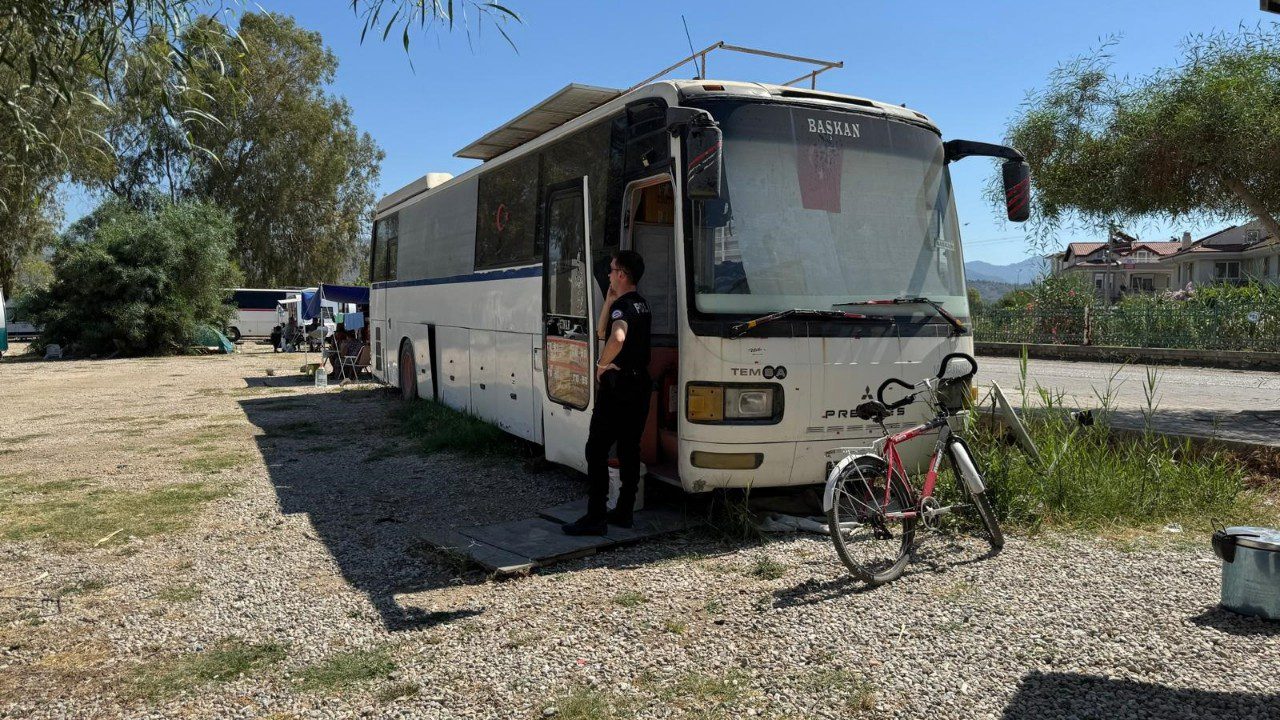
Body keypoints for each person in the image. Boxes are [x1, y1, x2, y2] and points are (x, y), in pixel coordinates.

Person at [563, 250, 652, 536]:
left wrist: (601, 365)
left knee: (596, 449)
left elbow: (616, 337)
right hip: (640, 386)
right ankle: (624, 511)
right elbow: (602, 331)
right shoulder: (640, 304)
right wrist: (610, 300)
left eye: (612, 270)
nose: (609, 275)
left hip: (619, 387)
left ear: (622, 274)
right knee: (629, 448)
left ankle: (595, 516)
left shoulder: (623, 308)